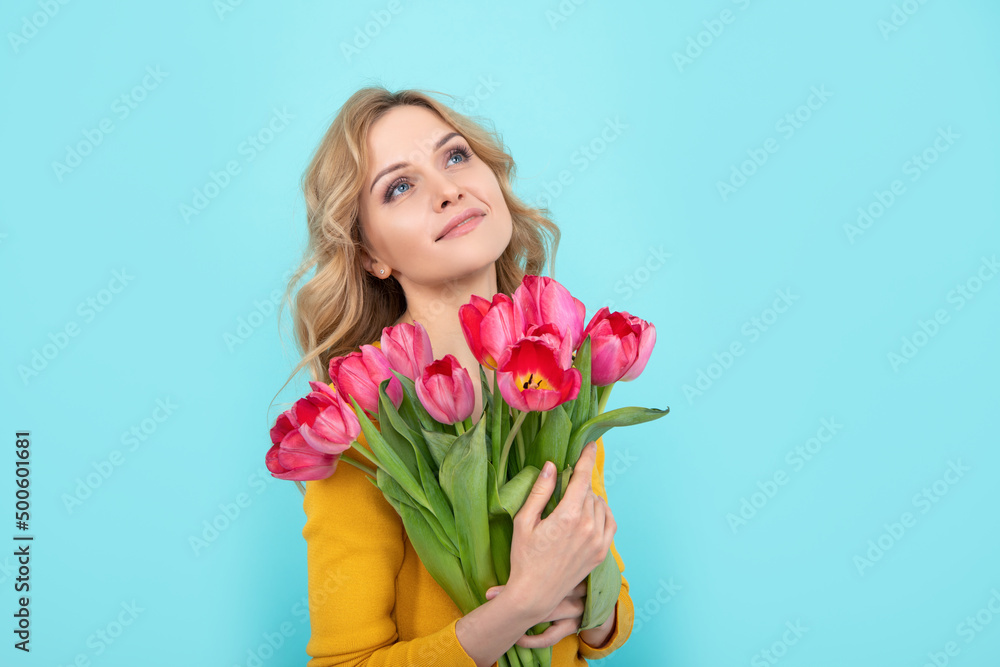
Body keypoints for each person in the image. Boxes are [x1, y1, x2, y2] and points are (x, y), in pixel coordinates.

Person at [277, 85, 634, 666]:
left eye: (455, 156)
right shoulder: (359, 431)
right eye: (399, 186)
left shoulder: (555, 371)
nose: (448, 190)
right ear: (370, 253)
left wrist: (587, 605)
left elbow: (605, 612)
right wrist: (519, 605)